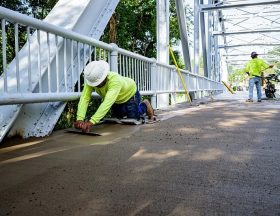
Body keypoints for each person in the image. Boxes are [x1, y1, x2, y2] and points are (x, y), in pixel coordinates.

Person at [74, 60, 155, 132]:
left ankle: (144, 104)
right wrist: (79, 119)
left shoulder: (115, 81)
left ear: (104, 77)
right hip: (116, 99)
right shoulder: (91, 79)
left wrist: (91, 122)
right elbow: (85, 98)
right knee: (118, 119)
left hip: (130, 94)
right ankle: (127, 109)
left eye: (98, 83)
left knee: (133, 120)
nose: (96, 85)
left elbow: (106, 103)